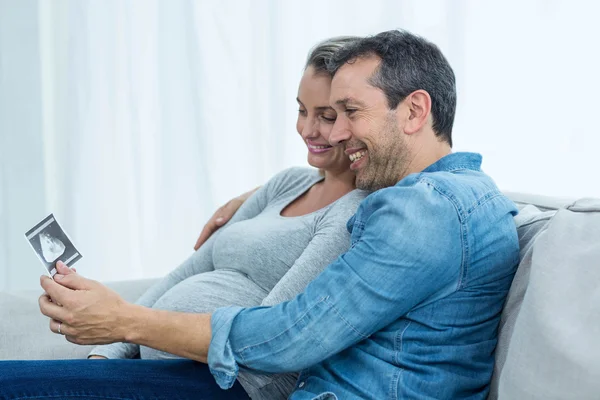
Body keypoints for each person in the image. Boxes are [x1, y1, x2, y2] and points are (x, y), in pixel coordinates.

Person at [0, 30, 519, 400]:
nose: (333, 135)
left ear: (414, 111)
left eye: (349, 114)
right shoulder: (450, 198)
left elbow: (292, 336)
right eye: (318, 113)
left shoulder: (423, 210)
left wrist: (125, 321)